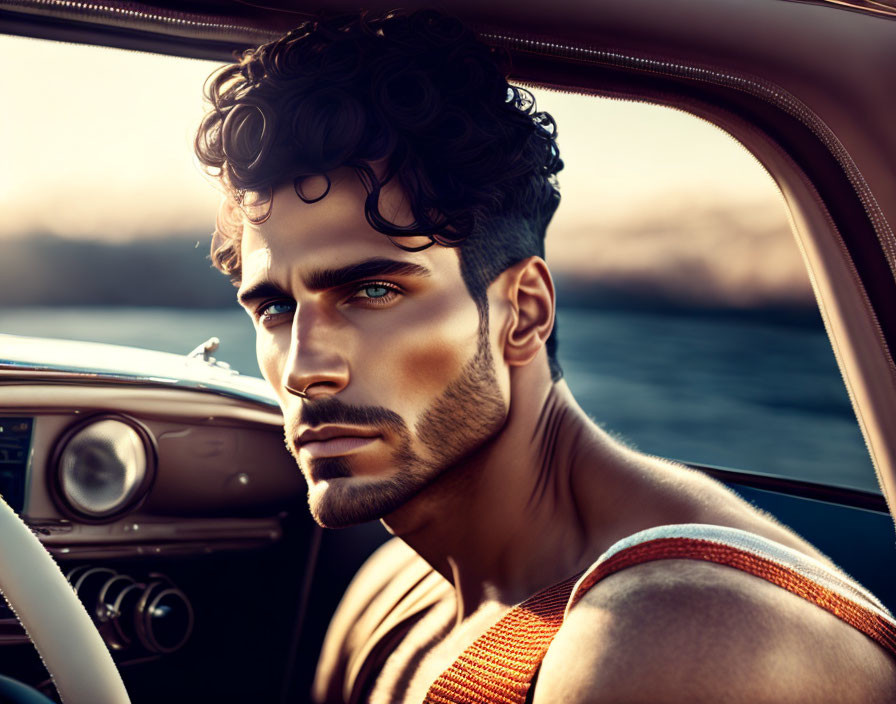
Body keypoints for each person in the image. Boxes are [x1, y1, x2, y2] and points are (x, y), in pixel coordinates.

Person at [195, 10, 896, 703]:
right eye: (276, 309)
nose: (303, 367)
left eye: (372, 291)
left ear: (522, 311)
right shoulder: (395, 588)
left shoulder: (680, 643)